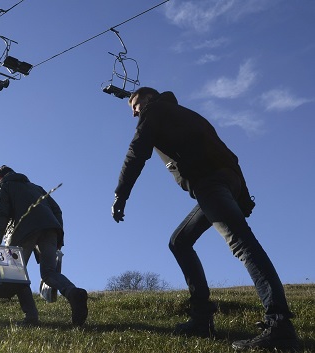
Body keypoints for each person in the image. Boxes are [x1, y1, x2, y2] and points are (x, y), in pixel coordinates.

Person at [110, 87, 298, 350]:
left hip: (210, 183)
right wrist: (241, 197)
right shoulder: (186, 114)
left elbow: (137, 150)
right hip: (222, 182)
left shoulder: (155, 110)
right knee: (180, 241)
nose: (134, 112)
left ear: (149, 98)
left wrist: (121, 194)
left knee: (243, 244)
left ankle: (279, 325)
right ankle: (201, 318)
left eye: (135, 105)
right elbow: (226, 155)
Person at [0, 165, 88, 326]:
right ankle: (73, 292)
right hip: (50, 229)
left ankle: (31, 318)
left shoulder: (3, 186)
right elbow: (57, 210)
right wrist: (58, 237)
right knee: (48, 272)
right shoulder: (36, 187)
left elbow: (1, 215)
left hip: (22, 230)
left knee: (16, 273)